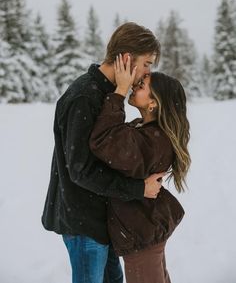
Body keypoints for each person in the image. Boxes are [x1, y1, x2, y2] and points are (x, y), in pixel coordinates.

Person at [41, 22, 166, 283]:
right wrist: (137, 189)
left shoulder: (107, 94)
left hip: (101, 220)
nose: (146, 73)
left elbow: (110, 152)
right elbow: (81, 171)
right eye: (146, 63)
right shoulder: (85, 97)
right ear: (127, 59)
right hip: (84, 223)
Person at [89, 54, 191, 283]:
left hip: (141, 239)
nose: (135, 86)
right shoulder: (145, 131)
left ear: (153, 103)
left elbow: (105, 141)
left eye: (142, 85)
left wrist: (119, 92)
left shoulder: (153, 141)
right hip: (144, 233)